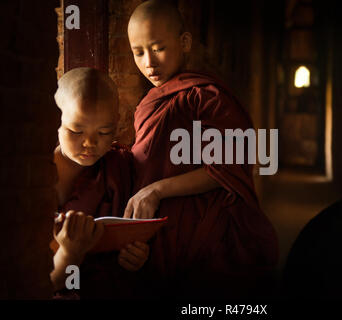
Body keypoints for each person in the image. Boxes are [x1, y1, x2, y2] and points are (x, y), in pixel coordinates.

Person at [126, 0, 279, 298]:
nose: (149, 62)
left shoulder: (206, 97)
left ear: (184, 42)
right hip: (160, 235)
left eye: (158, 48)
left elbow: (227, 166)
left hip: (207, 235)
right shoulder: (150, 102)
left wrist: (156, 190)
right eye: (138, 52)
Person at [52, 67, 149, 298]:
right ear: (54, 119)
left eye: (105, 132)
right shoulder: (27, 175)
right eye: (76, 131)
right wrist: (69, 254)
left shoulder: (120, 168)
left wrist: (136, 256)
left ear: (117, 122)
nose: (90, 143)